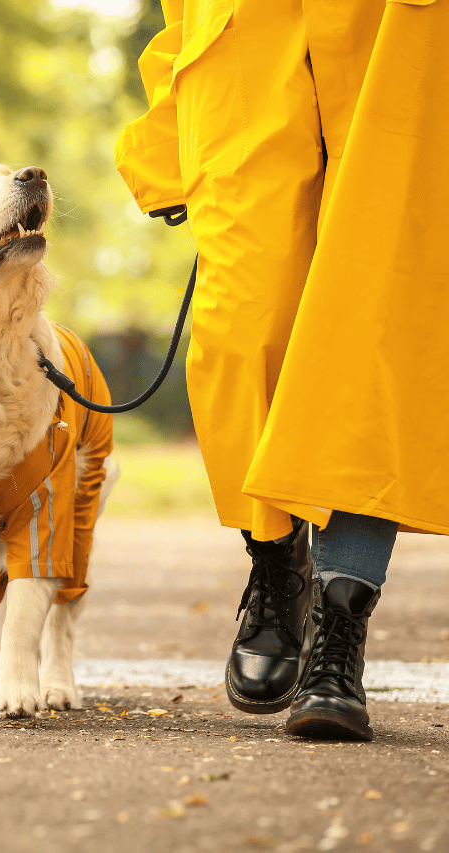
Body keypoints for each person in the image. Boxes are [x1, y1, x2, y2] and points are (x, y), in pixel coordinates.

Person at [115, 0, 449, 741]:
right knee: (239, 330)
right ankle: (275, 559)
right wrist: (167, 136)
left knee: (369, 342)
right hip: (242, 58)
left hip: (394, 40)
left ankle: (339, 629)